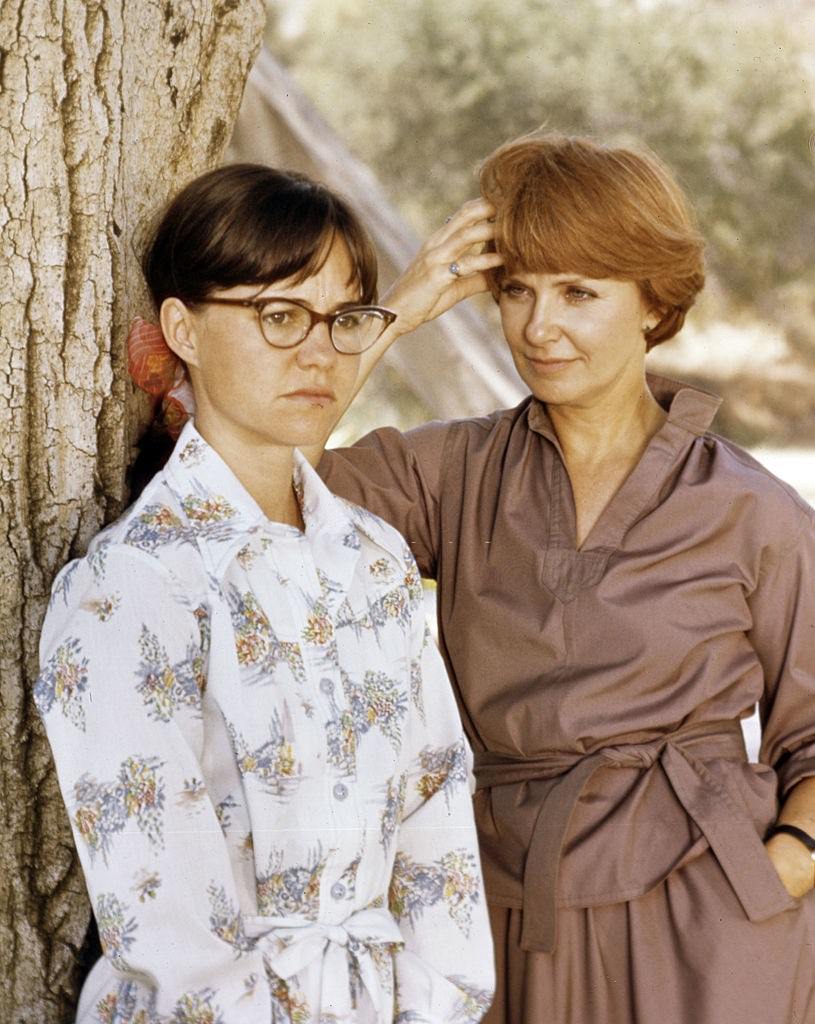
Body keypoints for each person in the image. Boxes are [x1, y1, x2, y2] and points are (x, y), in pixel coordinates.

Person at [314, 132, 815, 1023]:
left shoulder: (751, 509)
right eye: (516, 292)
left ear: (653, 306)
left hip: (704, 913)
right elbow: (252, 494)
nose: (538, 328)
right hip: (499, 910)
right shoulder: (449, 474)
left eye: (579, 293)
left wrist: (784, 864)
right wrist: (401, 310)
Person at [35, 164, 495, 1024]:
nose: (318, 351)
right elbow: (167, 928)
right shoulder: (129, 590)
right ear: (184, 328)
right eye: (279, 316)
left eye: (341, 319)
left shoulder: (376, 561)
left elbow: (437, 826)